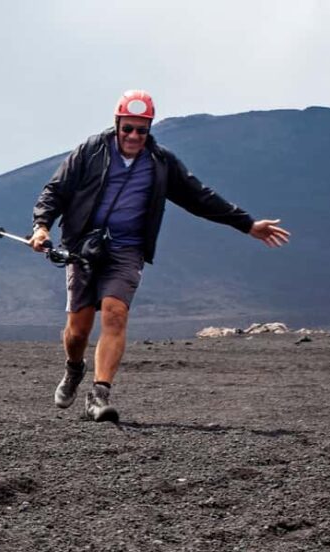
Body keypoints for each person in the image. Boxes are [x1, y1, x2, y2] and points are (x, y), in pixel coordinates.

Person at [29, 90, 289, 423]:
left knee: (115, 312)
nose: (134, 136)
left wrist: (247, 224)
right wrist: (41, 227)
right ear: (117, 123)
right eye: (128, 128)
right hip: (83, 247)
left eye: (142, 129)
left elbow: (200, 197)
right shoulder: (91, 150)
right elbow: (56, 189)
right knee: (78, 330)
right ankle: (74, 368)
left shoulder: (160, 163)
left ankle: (99, 394)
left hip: (127, 249)